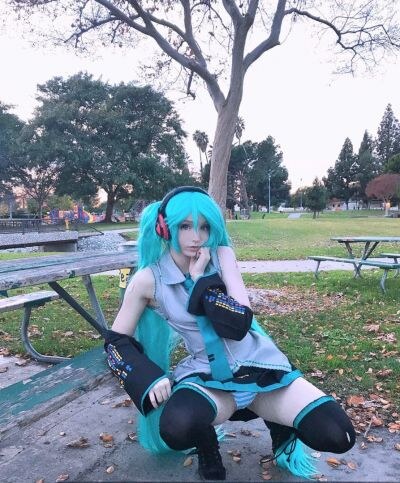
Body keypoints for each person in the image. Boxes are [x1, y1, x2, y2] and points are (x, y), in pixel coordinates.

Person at [104, 186, 355, 481]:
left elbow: (239, 323)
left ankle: (281, 425)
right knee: (177, 427)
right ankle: (206, 444)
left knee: (338, 434)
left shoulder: (222, 256)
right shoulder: (148, 280)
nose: (196, 237)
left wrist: (201, 279)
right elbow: (116, 342)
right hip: (207, 377)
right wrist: (149, 378)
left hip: (261, 368)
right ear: (164, 227)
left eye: (204, 227)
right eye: (185, 226)